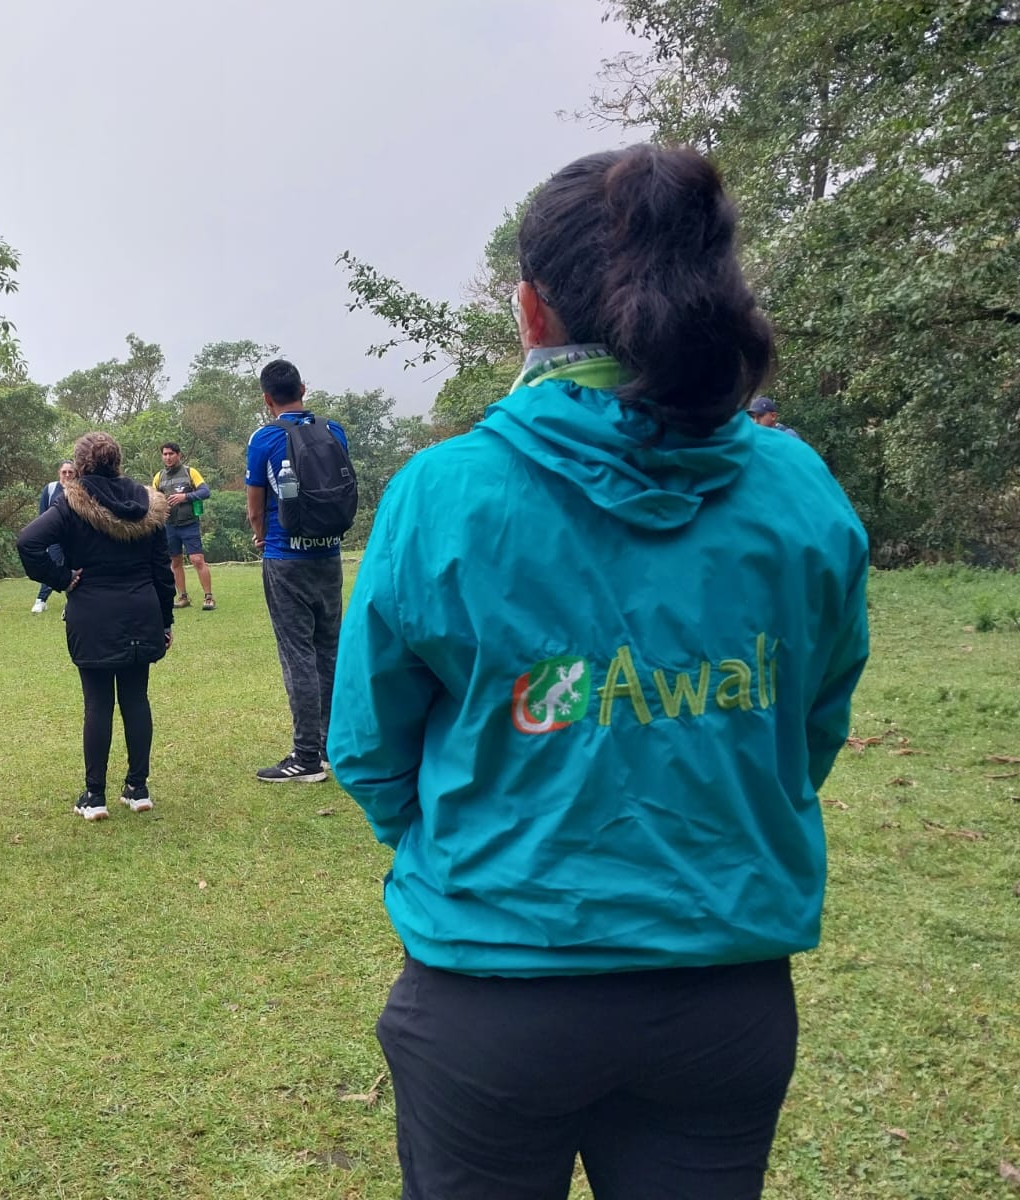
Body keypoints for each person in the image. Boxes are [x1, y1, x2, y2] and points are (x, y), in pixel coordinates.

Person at [327, 144, 870, 1199]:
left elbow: (366, 746)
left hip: (492, 993)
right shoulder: (800, 489)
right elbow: (810, 723)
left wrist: (483, 839)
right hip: (723, 995)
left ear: (531, 312)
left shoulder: (443, 493)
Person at [17, 433, 175, 820]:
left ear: (81, 463)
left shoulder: (70, 501)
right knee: (137, 699)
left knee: (98, 703)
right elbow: (162, 569)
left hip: (92, 612)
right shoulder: (148, 502)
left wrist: (60, 578)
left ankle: (94, 795)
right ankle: (138, 788)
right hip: (142, 609)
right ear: (117, 461)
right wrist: (166, 620)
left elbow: (27, 542)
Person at [246, 359, 348, 783]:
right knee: (329, 650)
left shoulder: (265, 437)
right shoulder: (334, 430)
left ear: (267, 399)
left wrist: (259, 536)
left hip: (285, 556)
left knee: (298, 656)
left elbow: (255, 503)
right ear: (304, 388)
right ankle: (332, 746)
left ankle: (306, 758)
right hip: (329, 555)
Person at [153, 442, 215, 611]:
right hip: (170, 525)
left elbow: (205, 492)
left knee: (197, 560)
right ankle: (182, 596)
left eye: (171, 454)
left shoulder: (190, 472)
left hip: (189, 524)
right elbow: (154, 499)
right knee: (175, 561)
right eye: (164, 454)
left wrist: (185, 497)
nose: (167, 457)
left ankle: (209, 597)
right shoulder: (159, 477)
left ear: (179, 455)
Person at [30, 460, 76, 613]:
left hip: (74, 538)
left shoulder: (80, 489)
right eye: (64, 472)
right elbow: (42, 515)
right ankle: (41, 600)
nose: (67, 475)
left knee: (74, 568)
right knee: (54, 565)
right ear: (59, 473)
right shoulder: (50, 489)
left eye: (71, 472)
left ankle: (71, 604)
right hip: (55, 537)